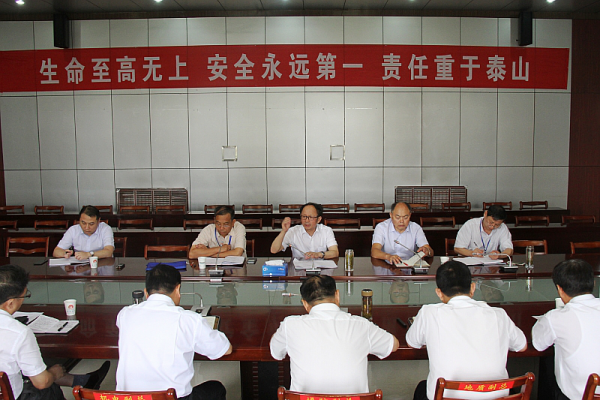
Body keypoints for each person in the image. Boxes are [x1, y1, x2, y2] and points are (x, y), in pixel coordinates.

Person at [406, 261, 527, 400]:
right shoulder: (498, 314)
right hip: (497, 397)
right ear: (472, 288)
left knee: (422, 388)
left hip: (447, 396)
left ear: (439, 293)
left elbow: (412, 342)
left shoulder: (429, 312)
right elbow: (522, 346)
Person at [116, 264, 232, 400]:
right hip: (172, 398)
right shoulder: (188, 320)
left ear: (146, 293)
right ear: (178, 289)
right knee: (216, 388)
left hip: (128, 398)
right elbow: (225, 349)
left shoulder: (125, 314)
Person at [270, 275, 399, 394]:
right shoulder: (361, 325)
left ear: (304, 303)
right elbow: (393, 345)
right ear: (337, 295)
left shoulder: (290, 325)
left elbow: (276, 353)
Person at [0, 264, 110, 400]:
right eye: (24, 296)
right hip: (12, 396)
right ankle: (82, 381)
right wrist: (54, 373)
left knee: (29, 364)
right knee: (48, 384)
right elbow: (41, 383)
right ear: (10, 303)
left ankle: (83, 381)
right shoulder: (19, 332)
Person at [532, 259, 600, 400]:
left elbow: (538, 344)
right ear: (593, 283)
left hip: (580, 396)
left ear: (560, 289)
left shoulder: (556, 317)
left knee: (549, 366)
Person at [270, 202, 339, 259]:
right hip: (299, 269)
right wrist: (283, 231)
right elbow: (274, 250)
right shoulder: (293, 231)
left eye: (310, 217)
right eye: (304, 216)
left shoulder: (326, 230)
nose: (306, 220)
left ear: (318, 219)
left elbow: (335, 252)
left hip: (321, 269)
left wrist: (319, 254)